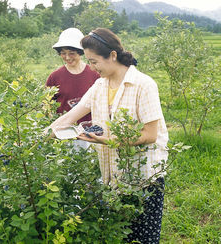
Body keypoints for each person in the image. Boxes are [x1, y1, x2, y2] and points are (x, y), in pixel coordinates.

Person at [49, 28, 169, 243]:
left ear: (113, 56)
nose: (92, 68)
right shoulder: (100, 85)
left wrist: (110, 140)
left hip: (143, 175)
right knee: (119, 234)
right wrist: (42, 136)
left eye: (94, 62)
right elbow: (71, 116)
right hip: (113, 175)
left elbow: (151, 134)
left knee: (144, 237)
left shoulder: (144, 84)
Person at [46, 28, 100, 124]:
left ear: (80, 52)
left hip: (90, 131)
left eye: (71, 53)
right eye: (63, 53)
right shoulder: (55, 77)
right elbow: (46, 105)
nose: (67, 57)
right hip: (63, 131)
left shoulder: (95, 74)